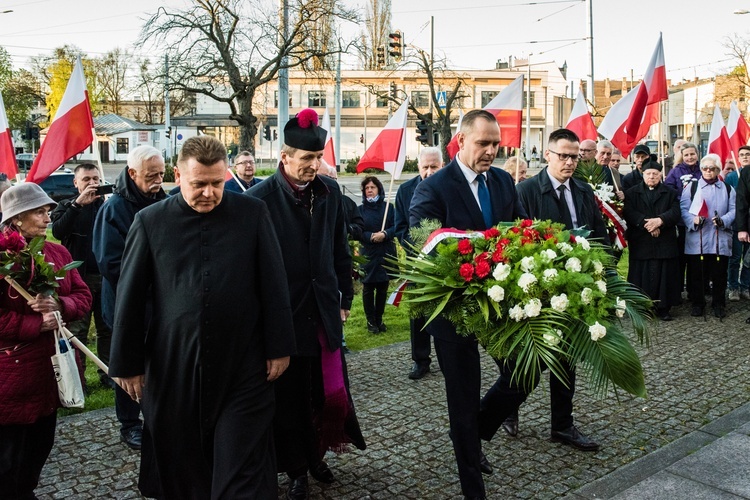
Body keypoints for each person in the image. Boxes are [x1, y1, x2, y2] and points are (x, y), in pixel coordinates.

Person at [109, 136, 295, 499]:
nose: (209, 192)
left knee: (242, 468)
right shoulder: (149, 221)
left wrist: (279, 345)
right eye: (199, 184)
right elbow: (129, 297)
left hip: (244, 363)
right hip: (175, 364)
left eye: (216, 183)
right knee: (184, 468)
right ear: (177, 176)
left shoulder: (252, 214)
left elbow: (274, 283)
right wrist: (126, 364)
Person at [247, 108, 366, 500]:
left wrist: (345, 297)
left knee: (324, 392)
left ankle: (317, 455)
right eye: (305, 160)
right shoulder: (258, 201)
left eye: (317, 159)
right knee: (290, 399)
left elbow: (339, 250)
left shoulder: (329, 194)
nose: (313, 166)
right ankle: (296, 469)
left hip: (323, 313)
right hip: (285, 316)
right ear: (284, 157)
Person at [410, 109, 527, 500]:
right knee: (462, 397)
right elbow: (423, 245)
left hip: (498, 308)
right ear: (461, 141)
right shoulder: (434, 188)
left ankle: (473, 432)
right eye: (483, 143)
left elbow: (521, 231)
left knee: (524, 374)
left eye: (496, 143)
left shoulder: (504, 184)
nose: (491, 150)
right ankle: (473, 485)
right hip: (454, 314)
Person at [479, 128, 607, 458]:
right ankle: (506, 408)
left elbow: (600, 233)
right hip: (537, 291)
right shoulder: (525, 191)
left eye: (574, 156)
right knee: (525, 361)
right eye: (562, 155)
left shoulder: (582, 190)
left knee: (566, 360)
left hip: (576, 290)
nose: (569, 162)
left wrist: (598, 266)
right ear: (547, 155)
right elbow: (517, 239)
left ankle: (562, 424)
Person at [0, 183, 91, 499]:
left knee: (38, 450)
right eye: (39, 211)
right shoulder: (3, 259)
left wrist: (61, 306)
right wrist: (34, 323)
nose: (47, 216)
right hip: (9, 378)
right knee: (7, 459)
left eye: (48, 209)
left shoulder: (58, 253)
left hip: (49, 374)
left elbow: (82, 295)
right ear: (17, 219)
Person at [92, 145, 167, 450]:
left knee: (159, 362)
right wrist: (153, 278)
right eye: (151, 175)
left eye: (162, 173)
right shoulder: (113, 209)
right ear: (133, 173)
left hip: (160, 304)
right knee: (128, 362)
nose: (158, 180)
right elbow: (110, 262)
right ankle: (129, 424)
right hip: (126, 304)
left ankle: (158, 415)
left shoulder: (164, 200)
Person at [51, 163, 111, 386]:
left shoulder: (107, 206)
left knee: (107, 329)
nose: (92, 183)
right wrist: (78, 205)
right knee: (78, 331)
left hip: (105, 277)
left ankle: (108, 375)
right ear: (76, 183)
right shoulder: (66, 206)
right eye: (86, 179)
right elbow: (57, 231)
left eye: (96, 179)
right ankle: (78, 380)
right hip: (79, 280)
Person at [394, 147, 443, 380]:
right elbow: (400, 226)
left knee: (446, 312)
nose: (430, 172)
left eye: (435, 166)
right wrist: (416, 247)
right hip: (417, 262)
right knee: (418, 313)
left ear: (442, 165)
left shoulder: (451, 187)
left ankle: (448, 358)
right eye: (426, 167)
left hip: (446, 262)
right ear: (418, 166)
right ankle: (420, 360)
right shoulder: (405, 191)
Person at [623, 161, 682, 321]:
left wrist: (660, 221)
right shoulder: (632, 193)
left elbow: (676, 212)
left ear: (660, 175)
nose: (651, 176)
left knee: (665, 275)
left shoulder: (670, 192)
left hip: (664, 241)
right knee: (641, 274)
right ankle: (643, 308)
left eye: (655, 174)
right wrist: (647, 224)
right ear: (643, 174)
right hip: (642, 240)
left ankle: (664, 308)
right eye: (648, 173)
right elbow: (628, 212)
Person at [681, 153, 735, 318]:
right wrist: (694, 219)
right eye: (705, 168)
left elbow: (733, 209)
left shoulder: (727, 188)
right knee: (697, 274)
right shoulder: (692, 187)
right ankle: (698, 303)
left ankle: (719, 303)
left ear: (718, 170)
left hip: (719, 237)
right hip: (698, 238)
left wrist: (724, 220)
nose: (708, 171)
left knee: (719, 273)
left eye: (712, 168)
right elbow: (683, 209)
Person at [357, 176, 396, 333]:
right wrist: (370, 236)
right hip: (368, 253)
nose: (370, 190)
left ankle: (379, 319)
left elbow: (396, 227)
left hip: (385, 252)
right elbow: (357, 230)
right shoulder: (359, 210)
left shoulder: (388, 208)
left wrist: (385, 234)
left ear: (379, 189)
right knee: (368, 288)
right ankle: (370, 321)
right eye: (367, 188)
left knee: (382, 288)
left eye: (373, 187)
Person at [726, 145, 750, 301]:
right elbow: (739, 201)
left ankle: (745, 286)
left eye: (748, 154)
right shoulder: (732, 176)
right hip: (736, 224)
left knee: (748, 260)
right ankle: (733, 287)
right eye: (742, 155)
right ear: (738, 158)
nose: (745, 157)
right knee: (735, 258)